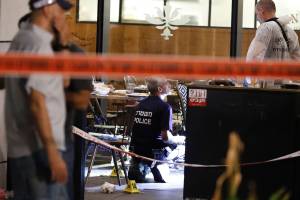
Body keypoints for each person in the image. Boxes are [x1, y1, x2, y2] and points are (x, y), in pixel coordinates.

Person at [5, 0, 72, 199]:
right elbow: (36, 102)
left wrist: (64, 43)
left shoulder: (22, 38)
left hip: (27, 147)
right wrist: (52, 154)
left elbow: (64, 82)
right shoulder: (38, 45)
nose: (64, 15)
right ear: (47, 7)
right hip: (39, 149)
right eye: (61, 9)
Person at [128, 77, 184, 183]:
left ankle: (142, 164)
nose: (169, 85)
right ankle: (156, 165)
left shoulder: (140, 104)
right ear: (160, 89)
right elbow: (165, 137)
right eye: (166, 84)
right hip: (154, 150)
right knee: (179, 146)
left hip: (136, 149)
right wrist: (178, 139)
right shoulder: (165, 107)